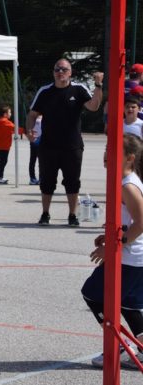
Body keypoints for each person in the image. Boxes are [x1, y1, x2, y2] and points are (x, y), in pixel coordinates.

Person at [82, 134, 143, 369]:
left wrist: (112, 246)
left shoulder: (128, 185)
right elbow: (128, 221)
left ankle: (119, 346)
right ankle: (139, 348)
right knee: (127, 304)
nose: (107, 154)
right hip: (133, 256)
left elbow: (140, 222)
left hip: (130, 257)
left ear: (130, 158)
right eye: (107, 149)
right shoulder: (125, 181)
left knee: (92, 294)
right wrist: (108, 235)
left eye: (114, 150)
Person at [26, 58, 104, 227]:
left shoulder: (78, 89)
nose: (60, 72)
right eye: (57, 69)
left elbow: (94, 106)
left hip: (72, 146)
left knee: (72, 181)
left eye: (64, 69)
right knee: (47, 182)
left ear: (70, 72)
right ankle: (45, 213)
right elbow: (32, 114)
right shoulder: (45, 91)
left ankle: (72, 215)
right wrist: (30, 130)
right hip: (48, 146)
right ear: (53, 72)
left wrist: (98, 85)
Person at [0, 105, 23, 185]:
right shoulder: (5, 122)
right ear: (5, 114)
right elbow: (16, 129)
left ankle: (0, 177)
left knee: (3, 161)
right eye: (10, 112)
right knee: (3, 162)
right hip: (4, 145)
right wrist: (26, 131)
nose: (11, 114)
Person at [28, 115, 42, 185]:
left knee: (38, 161)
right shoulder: (34, 117)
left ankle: (38, 178)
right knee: (34, 161)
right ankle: (34, 178)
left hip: (39, 141)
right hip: (36, 141)